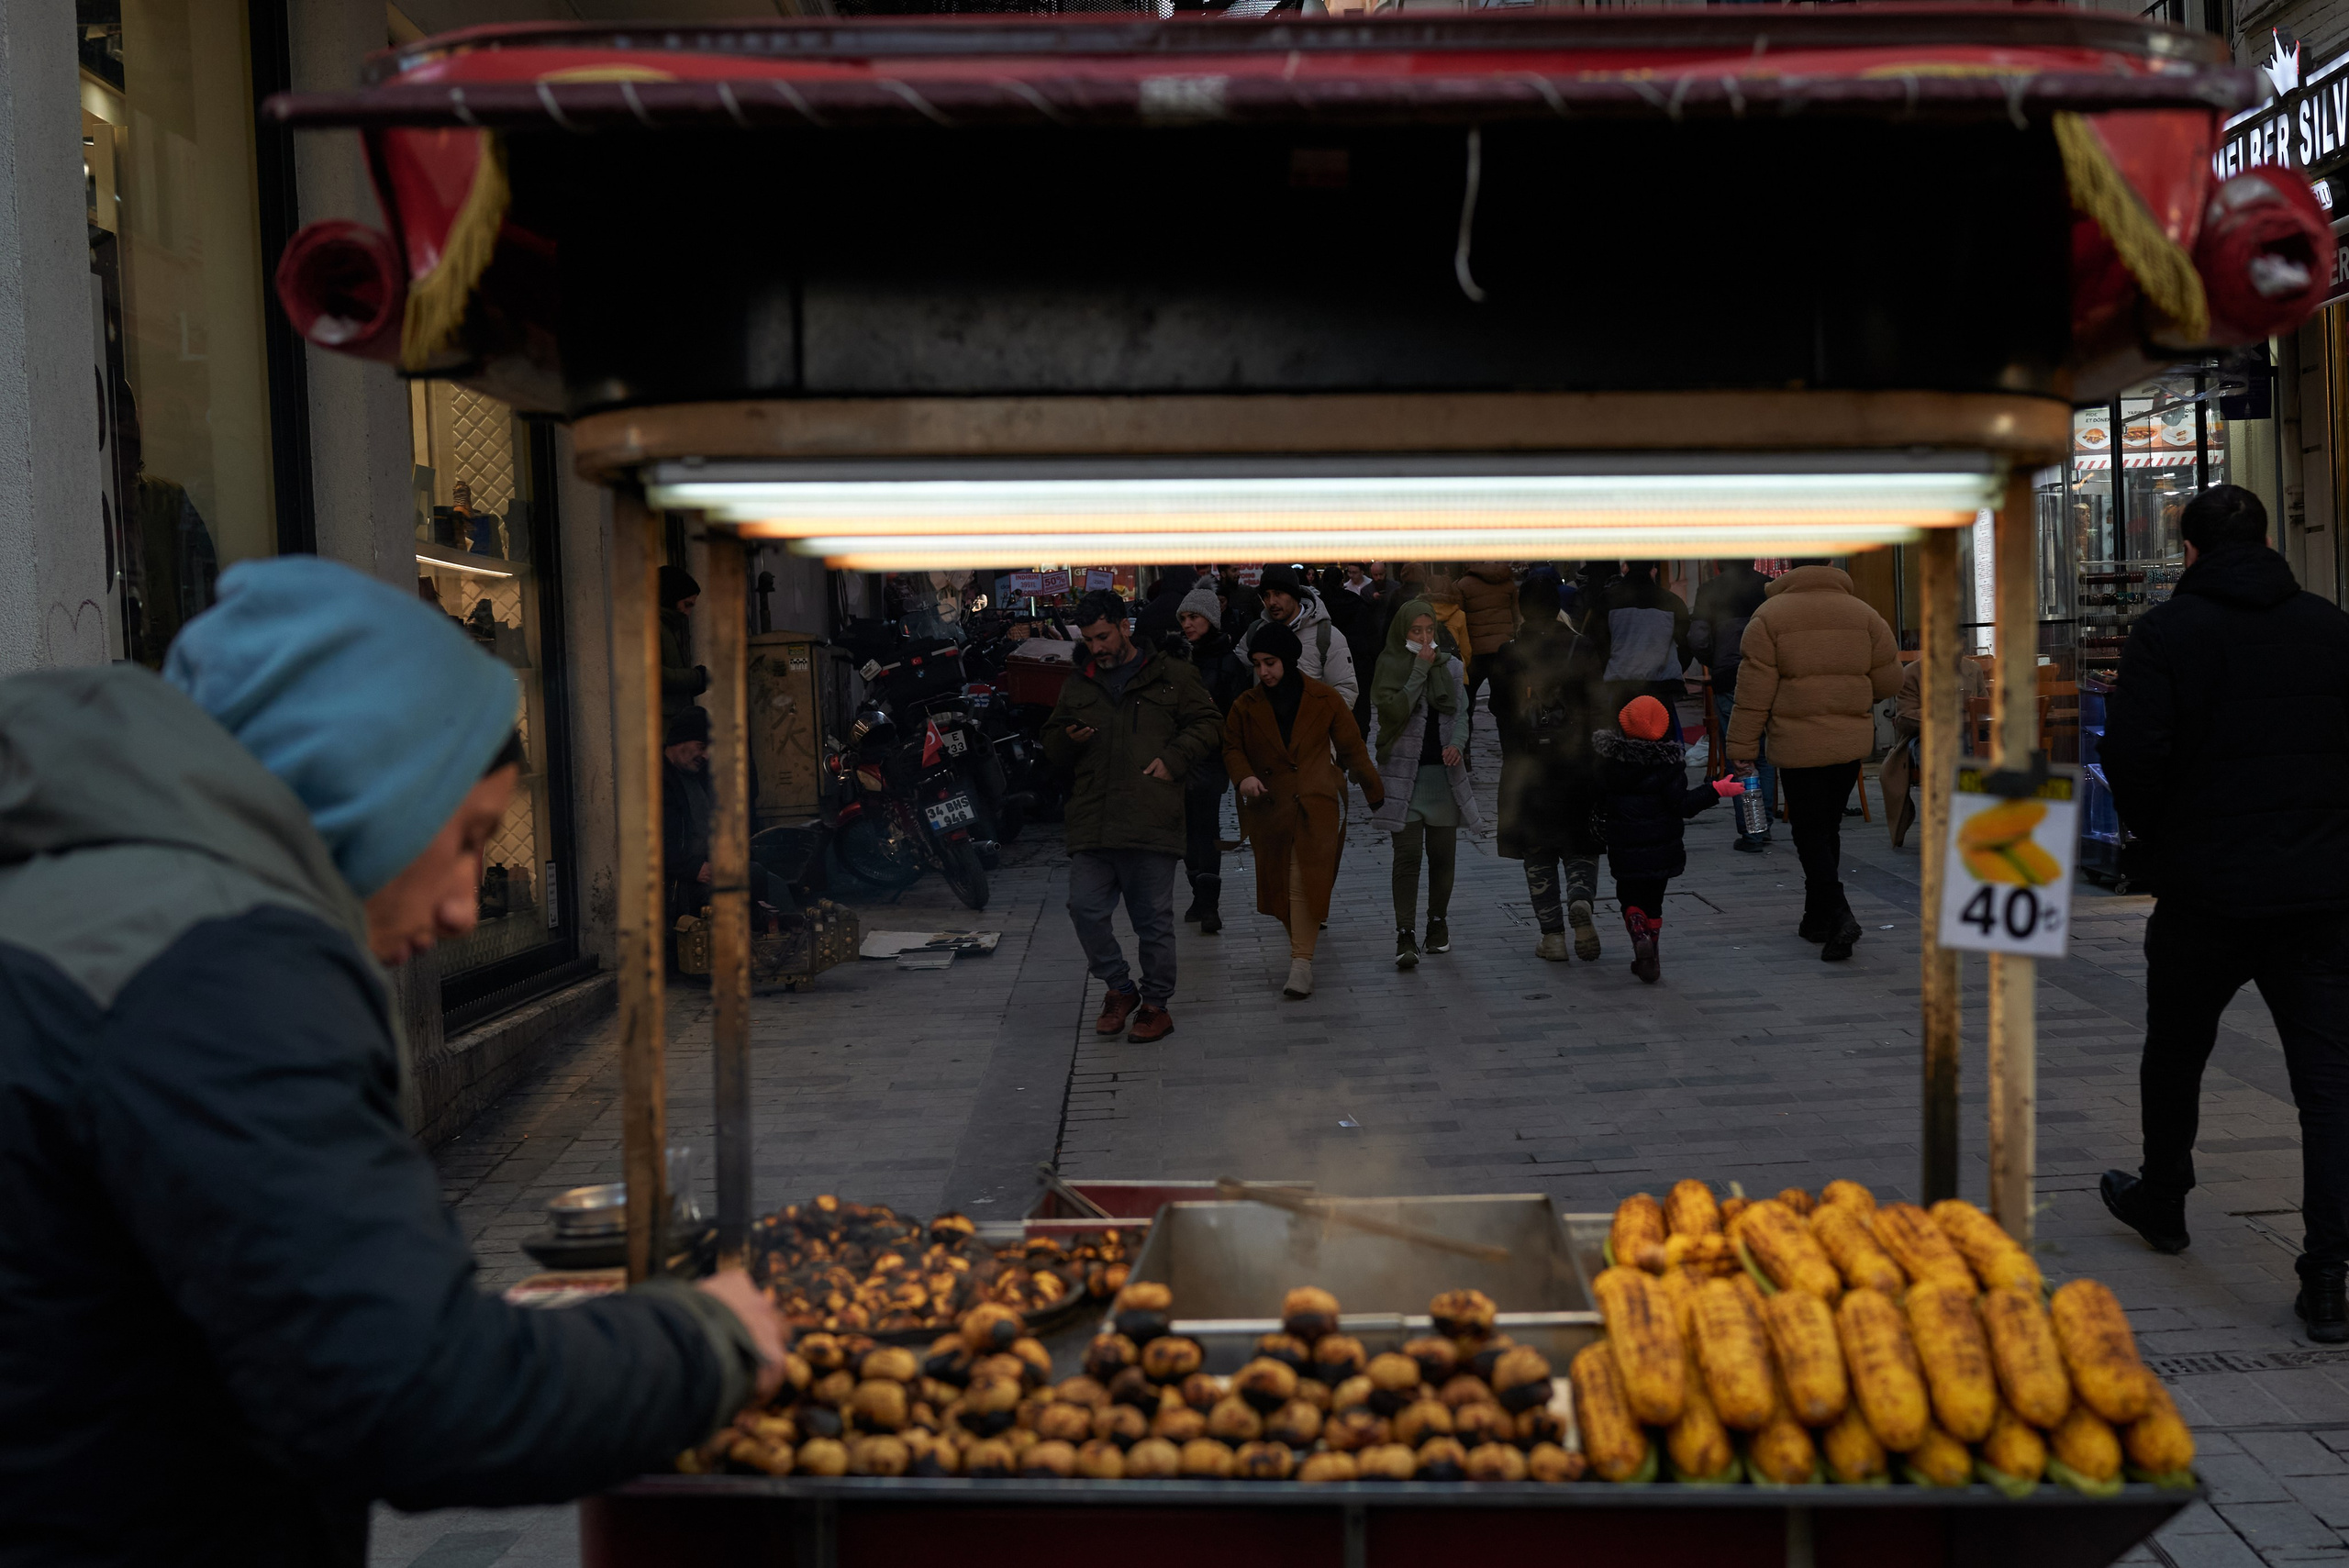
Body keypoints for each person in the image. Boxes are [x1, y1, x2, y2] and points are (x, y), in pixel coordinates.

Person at [0, 558, 784, 1566]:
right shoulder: (218, 969)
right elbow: (420, 1395)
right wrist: (701, 1338)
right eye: (466, 838)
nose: (464, 905)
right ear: (366, 784)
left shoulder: (79, 905)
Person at [2093, 484, 2349, 1339]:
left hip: (2204, 891)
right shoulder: (2329, 627)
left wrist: (2161, 836)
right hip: (2318, 896)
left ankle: (2164, 1198)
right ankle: (2330, 1274)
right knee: (2329, 1086)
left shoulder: (2168, 633)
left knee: (2175, 1050)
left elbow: (2132, 751)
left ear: (2191, 551)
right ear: (2267, 539)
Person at [1043, 589, 1225, 1043]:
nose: (1097, 648)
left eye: (1103, 636)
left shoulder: (1172, 675)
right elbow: (1051, 744)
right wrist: (1068, 737)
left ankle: (1156, 1005)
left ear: (1125, 627)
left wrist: (1174, 759)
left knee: (1153, 923)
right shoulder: (1078, 681)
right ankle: (1119, 988)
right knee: (1084, 909)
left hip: (1151, 816)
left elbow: (1209, 723)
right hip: (1094, 819)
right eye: (1088, 639)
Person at [1723, 557, 1902, 962]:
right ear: (1830, 564)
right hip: (1848, 742)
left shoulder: (1769, 616)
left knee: (1809, 831)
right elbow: (1890, 680)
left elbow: (1753, 693)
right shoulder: (1864, 614)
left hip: (1798, 744)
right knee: (1828, 828)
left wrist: (1742, 749)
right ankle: (1815, 918)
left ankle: (1838, 913)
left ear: (1789, 567)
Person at [1223, 621, 1385, 999]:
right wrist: (1243, 776)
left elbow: (1352, 747)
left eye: (1271, 662)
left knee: (1304, 881)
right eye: (1258, 664)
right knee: (1281, 887)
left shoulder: (1324, 699)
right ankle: (1301, 950)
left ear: (1289, 660)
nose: (1264, 671)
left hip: (1316, 803)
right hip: (1270, 807)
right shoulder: (1245, 706)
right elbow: (1231, 746)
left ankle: (1301, 963)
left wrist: (1376, 794)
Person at [1488, 576, 1608, 962]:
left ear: (1522, 609)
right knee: (1582, 842)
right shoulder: (1581, 646)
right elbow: (1599, 707)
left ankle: (1552, 937)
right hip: (1577, 766)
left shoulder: (1508, 654)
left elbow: (1499, 710)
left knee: (1537, 851)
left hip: (1527, 769)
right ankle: (1581, 899)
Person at [1594, 695, 1743, 984]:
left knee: (1630, 900)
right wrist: (1716, 790)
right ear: (1663, 729)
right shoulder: (1670, 765)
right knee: (1654, 904)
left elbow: (1597, 800)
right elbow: (1684, 805)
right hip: (1663, 849)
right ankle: (1652, 959)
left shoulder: (1608, 763)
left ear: (1623, 726)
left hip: (1625, 849)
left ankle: (1638, 932)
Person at [1368, 600, 1482, 970]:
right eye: (1416, 631)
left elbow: (1462, 712)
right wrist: (1418, 670)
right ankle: (1405, 934)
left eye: (1429, 630)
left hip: (1441, 778)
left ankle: (1437, 923)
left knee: (1442, 857)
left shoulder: (1450, 666)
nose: (1424, 637)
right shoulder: (1390, 665)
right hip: (1404, 776)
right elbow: (1392, 711)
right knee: (1407, 856)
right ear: (1403, 631)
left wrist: (1457, 745)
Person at [1177, 584, 1251, 934]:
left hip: (1210, 757)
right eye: (1184, 618)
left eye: (1193, 617)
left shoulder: (1228, 662)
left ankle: (1210, 905)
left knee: (1205, 829)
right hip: (1178, 757)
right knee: (1186, 832)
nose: (1188, 624)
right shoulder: (1177, 659)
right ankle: (1198, 894)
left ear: (1210, 618)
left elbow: (1237, 714)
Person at [1690, 559, 1776, 851]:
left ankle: (1754, 830)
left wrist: (1714, 662)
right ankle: (1763, 826)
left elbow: (1698, 639)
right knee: (1764, 754)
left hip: (1728, 679)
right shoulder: (1768, 587)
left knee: (1741, 755)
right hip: (1766, 676)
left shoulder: (1710, 591)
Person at [1879, 648, 1988, 848]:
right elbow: (1905, 718)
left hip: (1970, 734)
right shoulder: (1912, 673)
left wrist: (1975, 709)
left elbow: (1985, 706)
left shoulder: (1973, 669)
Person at [1586, 560, 1692, 739]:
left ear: (1625, 567)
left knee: (1624, 744)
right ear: (1653, 569)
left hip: (1620, 686)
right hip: (1661, 688)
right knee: (1661, 741)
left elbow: (1595, 644)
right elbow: (1687, 645)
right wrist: (1674, 668)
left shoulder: (1607, 600)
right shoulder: (1672, 602)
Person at [1235, 564, 1359, 705]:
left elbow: (1345, 689)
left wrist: (1318, 720)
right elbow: (1234, 673)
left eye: (1278, 593)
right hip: (1266, 723)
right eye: (1266, 595)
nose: (1271, 602)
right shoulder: (1256, 631)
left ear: (1294, 595)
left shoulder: (1326, 635)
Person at [1453, 562, 1520, 767]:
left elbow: (1460, 619)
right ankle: (1512, 753)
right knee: (1507, 706)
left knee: (1465, 704)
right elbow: (1516, 617)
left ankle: (1464, 755)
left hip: (1476, 652)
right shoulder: (1508, 584)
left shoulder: (1463, 584)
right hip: (1503, 651)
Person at [660, 562, 709, 725]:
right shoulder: (651, 627)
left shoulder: (666, 627)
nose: (687, 613)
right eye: (686, 605)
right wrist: (696, 677)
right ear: (671, 597)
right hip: (663, 725)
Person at [1217, 564, 1263, 641]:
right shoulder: (1212, 595)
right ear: (1223, 574)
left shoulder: (1249, 593)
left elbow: (1262, 617)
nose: (1238, 574)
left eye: (1238, 570)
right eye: (1234, 570)